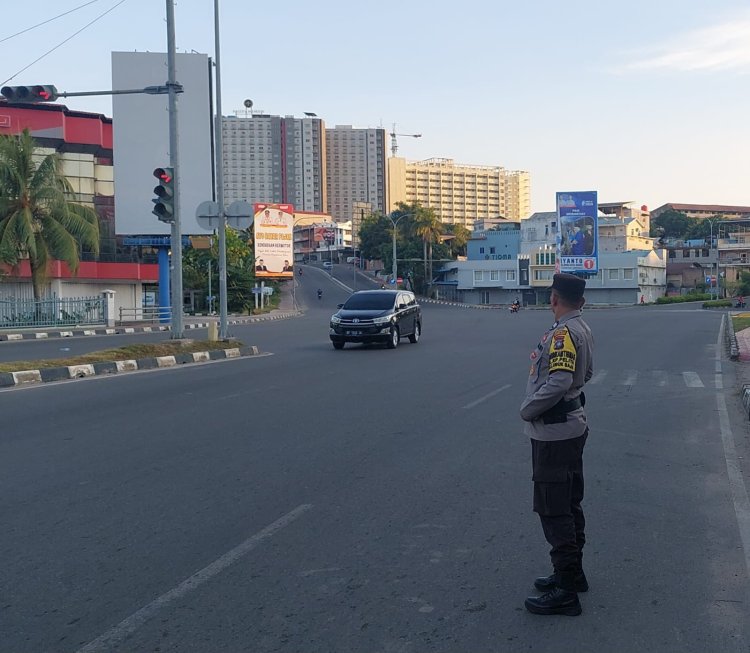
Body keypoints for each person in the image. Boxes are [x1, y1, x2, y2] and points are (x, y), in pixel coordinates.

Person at [520, 273, 594, 617]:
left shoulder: (563, 333)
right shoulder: (581, 328)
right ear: (579, 300)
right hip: (572, 427)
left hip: (554, 433)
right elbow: (587, 374)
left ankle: (566, 589)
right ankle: (572, 574)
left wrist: (527, 410)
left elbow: (559, 381)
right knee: (570, 501)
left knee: (554, 508)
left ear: (554, 299)